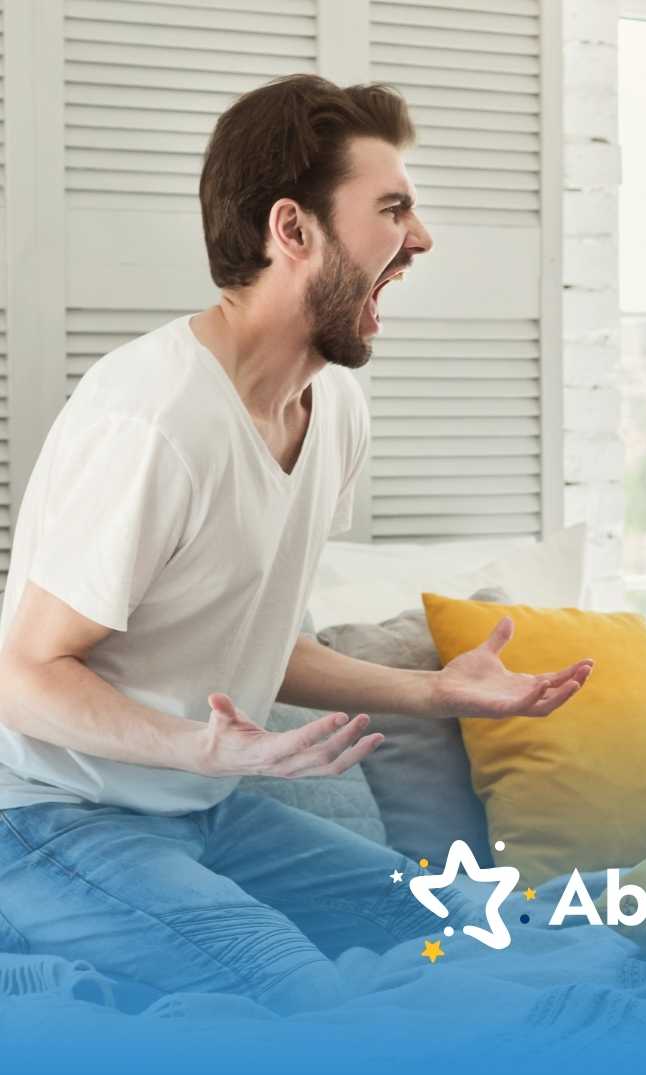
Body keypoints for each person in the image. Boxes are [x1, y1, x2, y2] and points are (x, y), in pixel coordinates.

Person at [0, 74, 593, 1015]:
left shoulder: (335, 410)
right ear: (293, 229)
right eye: (393, 209)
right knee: (308, 1001)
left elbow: (255, 643)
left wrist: (436, 692)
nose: (421, 238)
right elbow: (24, 675)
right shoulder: (152, 419)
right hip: (48, 820)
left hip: (205, 812)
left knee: (476, 932)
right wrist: (198, 747)